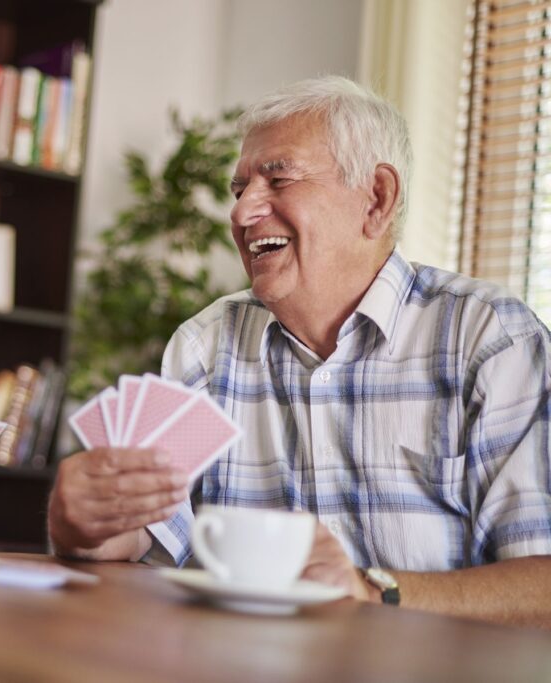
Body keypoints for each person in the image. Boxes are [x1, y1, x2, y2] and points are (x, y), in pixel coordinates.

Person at [48, 76, 551, 626]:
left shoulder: (487, 339)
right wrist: (86, 522)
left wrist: (372, 591)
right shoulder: (207, 349)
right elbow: (141, 532)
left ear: (377, 199)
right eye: (239, 191)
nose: (241, 215)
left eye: (279, 179)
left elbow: (541, 588)